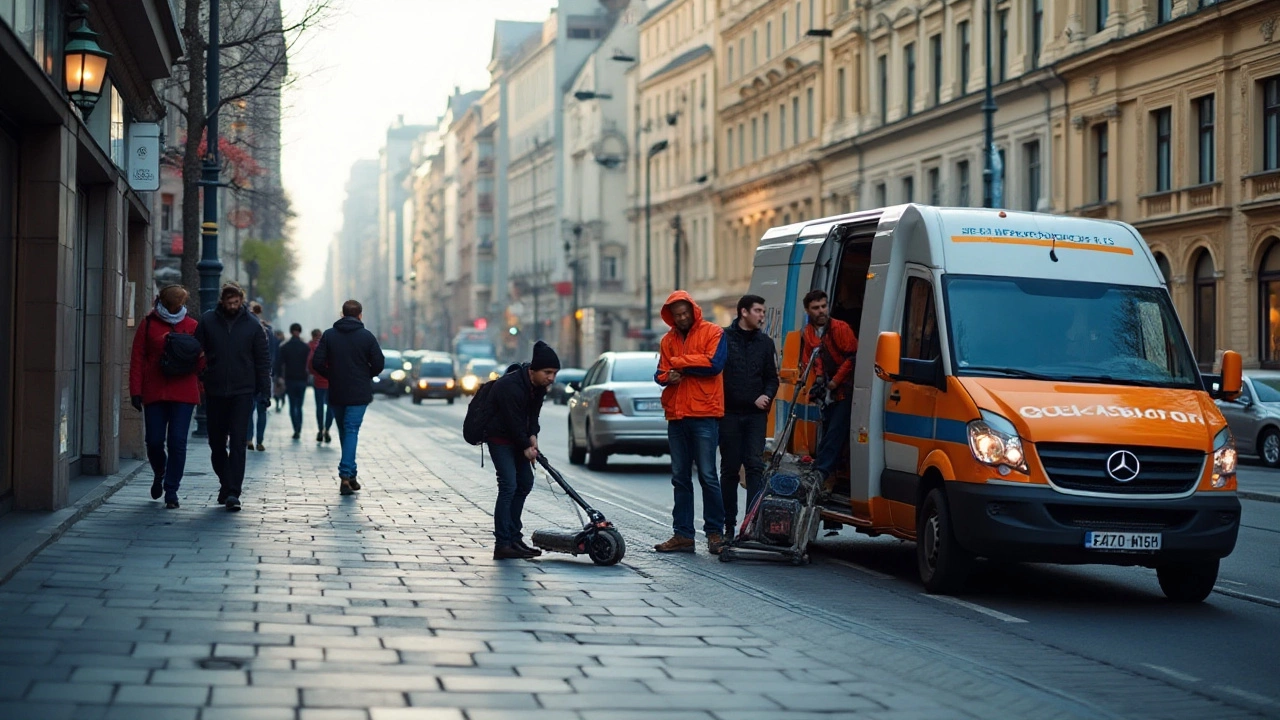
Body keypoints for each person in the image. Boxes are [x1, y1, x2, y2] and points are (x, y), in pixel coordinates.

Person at [653, 291, 728, 555]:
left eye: (685, 313)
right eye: (677, 315)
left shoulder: (714, 332)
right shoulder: (667, 340)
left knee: (708, 476)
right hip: (677, 415)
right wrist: (667, 377)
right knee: (680, 478)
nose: (682, 318)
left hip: (704, 414)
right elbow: (660, 372)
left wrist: (679, 365)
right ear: (671, 317)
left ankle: (715, 533)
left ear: (693, 311)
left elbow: (714, 365)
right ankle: (683, 534)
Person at [195, 282, 271, 511]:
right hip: (216, 389)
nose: (232, 306)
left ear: (241, 300)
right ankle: (225, 483)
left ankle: (233, 492)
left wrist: (265, 392)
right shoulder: (208, 321)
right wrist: (202, 375)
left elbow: (262, 361)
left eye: (236, 302)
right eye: (229, 302)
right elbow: (196, 351)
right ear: (222, 300)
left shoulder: (252, 325)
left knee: (238, 441)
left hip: (243, 390)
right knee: (216, 443)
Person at [129, 284, 203, 509]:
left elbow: (201, 361)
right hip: (155, 390)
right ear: (166, 302)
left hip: (183, 391)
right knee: (153, 441)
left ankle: (172, 490)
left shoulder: (192, 325)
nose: (181, 306)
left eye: (183, 302)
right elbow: (137, 359)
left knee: (177, 442)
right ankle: (159, 472)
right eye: (177, 302)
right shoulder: (149, 323)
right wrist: (135, 390)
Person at [483, 341, 559, 560]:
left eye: (554, 373)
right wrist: (526, 446)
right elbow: (512, 420)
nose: (551, 378)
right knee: (508, 484)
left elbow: (532, 416)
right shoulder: (510, 386)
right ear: (532, 371)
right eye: (547, 372)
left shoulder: (540, 387)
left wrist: (533, 435)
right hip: (499, 437)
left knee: (524, 482)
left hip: (519, 438)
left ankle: (515, 539)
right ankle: (503, 543)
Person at [719, 294, 779, 540]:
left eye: (763, 312)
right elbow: (722, 380)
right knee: (730, 470)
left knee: (755, 467)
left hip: (756, 417)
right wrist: (750, 399)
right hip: (730, 415)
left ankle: (750, 525)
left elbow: (772, 377)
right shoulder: (723, 338)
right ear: (743, 312)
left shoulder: (765, 343)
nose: (762, 316)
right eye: (758, 311)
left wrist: (766, 395)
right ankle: (728, 526)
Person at [311, 300, 385, 495]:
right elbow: (379, 363)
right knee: (351, 430)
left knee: (345, 431)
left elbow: (316, 362)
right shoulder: (367, 337)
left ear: (342, 314)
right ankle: (346, 475)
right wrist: (365, 374)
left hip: (337, 391)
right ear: (360, 315)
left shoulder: (329, 335)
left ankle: (351, 475)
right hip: (359, 392)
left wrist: (331, 375)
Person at [799, 289, 859, 493]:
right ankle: (822, 471)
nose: (821, 311)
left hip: (844, 390)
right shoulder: (808, 332)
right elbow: (812, 359)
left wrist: (834, 383)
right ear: (808, 310)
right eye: (816, 308)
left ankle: (821, 472)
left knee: (835, 432)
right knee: (827, 432)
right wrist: (817, 380)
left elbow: (853, 358)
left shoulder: (840, 328)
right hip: (827, 390)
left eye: (823, 306)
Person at [248, 302, 276, 451]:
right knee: (262, 408)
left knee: (249, 409)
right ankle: (260, 440)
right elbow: (272, 355)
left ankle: (248, 439)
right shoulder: (268, 331)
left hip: (250, 375)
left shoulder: (248, 329)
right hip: (265, 374)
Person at [278, 322, 311, 440]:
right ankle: (299, 427)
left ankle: (295, 428)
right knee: (299, 405)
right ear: (300, 331)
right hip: (302, 379)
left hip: (290, 379)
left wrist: (280, 378)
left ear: (291, 331)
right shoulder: (305, 347)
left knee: (292, 405)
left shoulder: (285, 347)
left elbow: (280, 364)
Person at [307, 328, 334, 444]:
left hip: (318, 382)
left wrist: (315, 374)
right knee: (330, 407)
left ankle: (320, 429)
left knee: (319, 407)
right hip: (330, 382)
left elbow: (310, 364)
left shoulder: (313, 347)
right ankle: (327, 429)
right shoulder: (332, 348)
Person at [272, 329, 286, 412]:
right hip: (282, 370)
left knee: (277, 387)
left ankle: (278, 401)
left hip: (276, 369)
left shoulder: (275, 343)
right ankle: (282, 399)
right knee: (282, 387)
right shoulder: (283, 344)